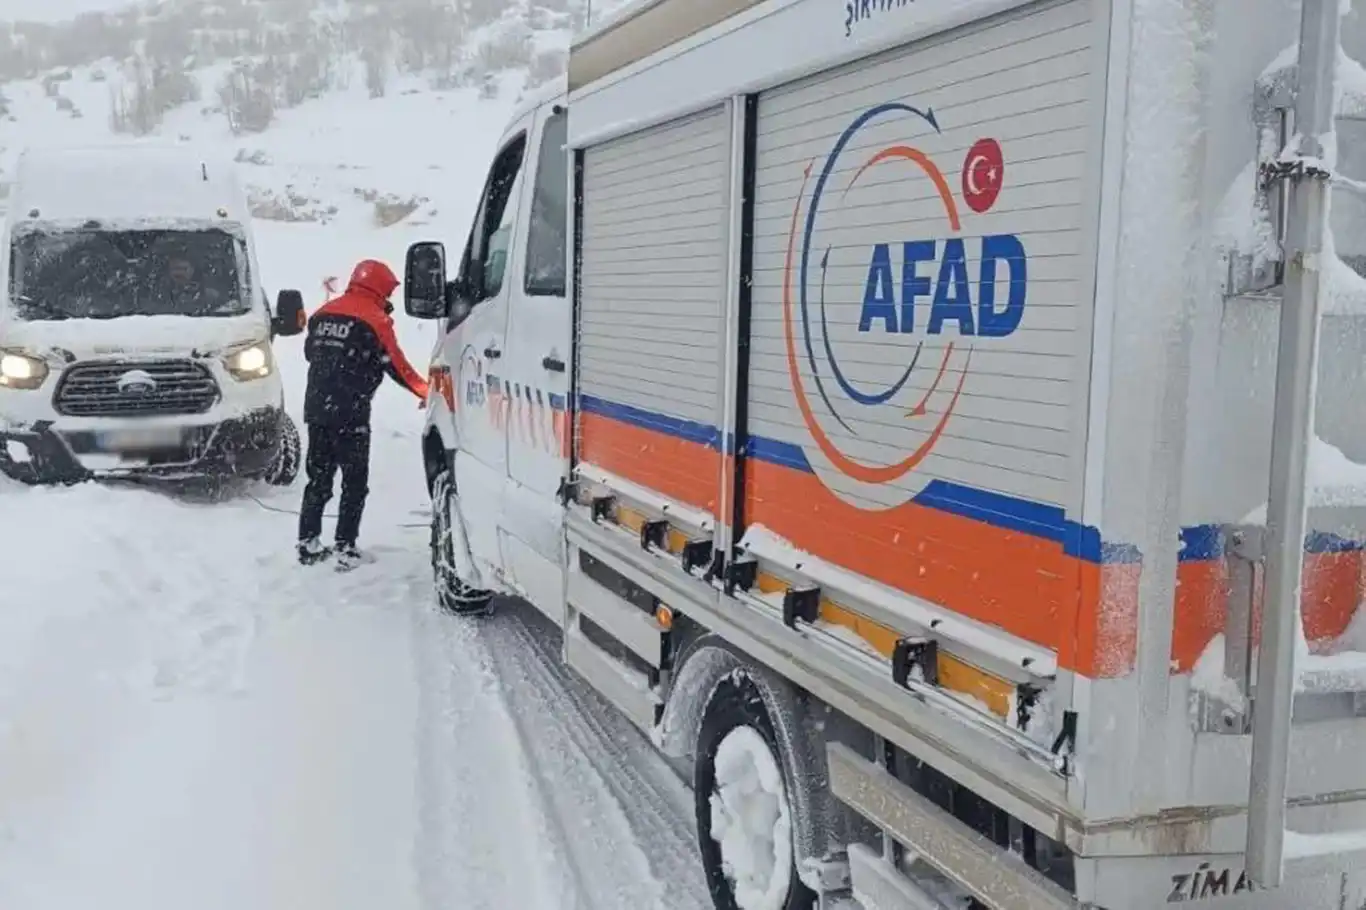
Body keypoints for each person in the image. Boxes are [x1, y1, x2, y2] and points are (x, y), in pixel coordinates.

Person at [297, 259, 429, 568]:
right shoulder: (374, 319)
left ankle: (307, 542)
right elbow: (397, 366)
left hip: (317, 410)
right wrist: (427, 391)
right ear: (380, 288)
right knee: (354, 483)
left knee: (318, 479)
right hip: (351, 414)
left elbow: (309, 354)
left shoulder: (321, 316)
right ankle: (345, 545)